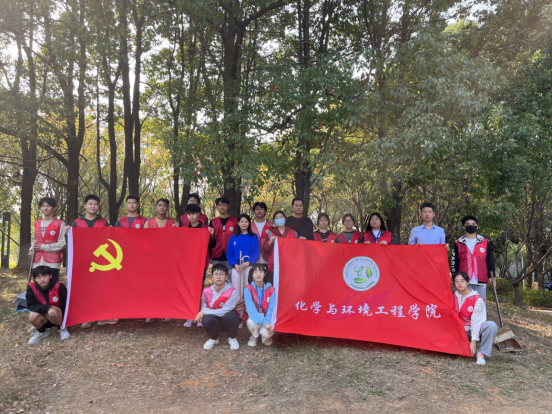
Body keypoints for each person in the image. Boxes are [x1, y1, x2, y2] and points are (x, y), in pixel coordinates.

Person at [65, 195, 116, 328]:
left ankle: (102, 315)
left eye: (96, 204)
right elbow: (72, 241)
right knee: (86, 288)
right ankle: (87, 316)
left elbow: (110, 239)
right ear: (85, 206)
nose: (93, 206)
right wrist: (67, 233)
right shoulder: (77, 222)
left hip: (101, 261)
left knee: (101, 287)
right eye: (90, 204)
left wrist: (112, 231)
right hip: (83, 260)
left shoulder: (103, 222)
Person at [181, 203, 216, 328]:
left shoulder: (205, 228)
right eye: (189, 214)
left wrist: (212, 235)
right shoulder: (184, 229)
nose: (191, 216)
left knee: (199, 288)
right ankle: (189, 316)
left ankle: (199, 316)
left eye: (193, 214)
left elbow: (212, 245)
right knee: (187, 288)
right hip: (187, 263)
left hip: (201, 262)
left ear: (198, 215)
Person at [453, 272, 498, 365]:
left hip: (471, 331)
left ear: (468, 282)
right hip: (456, 332)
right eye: (456, 281)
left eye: (462, 281)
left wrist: (473, 342)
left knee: (491, 326)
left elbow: (476, 322)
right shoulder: (453, 297)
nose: (459, 283)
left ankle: (481, 353)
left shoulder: (477, 299)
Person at [195, 264, 240, 351]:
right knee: (207, 319)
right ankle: (213, 338)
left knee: (232, 316)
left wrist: (204, 311)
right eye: (216, 274)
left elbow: (224, 311)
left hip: (226, 319)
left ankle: (232, 338)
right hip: (213, 319)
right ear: (212, 277)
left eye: (221, 274)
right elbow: (204, 302)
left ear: (226, 276)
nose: (218, 277)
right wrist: (202, 311)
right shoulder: (206, 291)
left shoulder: (232, 292)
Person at [451, 215, 496, 300]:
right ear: (463, 227)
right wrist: (455, 278)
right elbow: (454, 262)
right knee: (465, 305)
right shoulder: (458, 243)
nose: (471, 226)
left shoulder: (484, 242)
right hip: (464, 281)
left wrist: (492, 276)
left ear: (477, 226)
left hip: (481, 280)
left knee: (480, 304)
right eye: (468, 224)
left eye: (473, 224)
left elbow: (490, 260)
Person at [26, 266, 70, 345]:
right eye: (39, 277)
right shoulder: (31, 287)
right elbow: (31, 305)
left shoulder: (60, 286)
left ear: (50, 276)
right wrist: (47, 309)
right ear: (35, 279)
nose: (42, 279)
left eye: (45, 276)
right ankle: (42, 331)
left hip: (58, 316)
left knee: (53, 310)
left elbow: (66, 305)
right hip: (43, 317)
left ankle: (61, 328)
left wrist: (63, 319)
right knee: (33, 315)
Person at [29, 197, 66, 282]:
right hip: (37, 260)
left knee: (53, 285)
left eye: (48, 206)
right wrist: (31, 249)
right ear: (40, 208)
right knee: (38, 285)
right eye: (43, 206)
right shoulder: (37, 223)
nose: (45, 208)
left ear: (54, 208)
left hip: (52, 261)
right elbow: (35, 240)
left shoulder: (60, 223)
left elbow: (63, 243)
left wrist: (44, 247)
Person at [226, 214, 260, 300]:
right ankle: (237, 305)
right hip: (236, 267)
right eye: (241, 222)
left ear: (249, 223)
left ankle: (249, 306)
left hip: (249, 266)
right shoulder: (233, 238)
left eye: (246, 222)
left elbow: (256, 252)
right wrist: (235, 264)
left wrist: (249, 262)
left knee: (249, 287)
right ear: (238, 223)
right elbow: (229, 253)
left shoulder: (254, 237)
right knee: (236, 289)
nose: (244, 223)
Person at [244, 264, 276, 347]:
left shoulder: (271, 290)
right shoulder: (248, 289)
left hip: (267, 317)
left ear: (264, 274)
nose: (258, 274)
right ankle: (254, 336)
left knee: (267, 332)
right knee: (251, 323)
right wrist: (265, 323)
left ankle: (265, 338)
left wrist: (267, 322)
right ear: (252, 275)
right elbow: (251, 310)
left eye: (261, 272)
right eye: (255, 272)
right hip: (254, 317)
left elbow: (271, 309)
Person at [262, 211, 298, 284]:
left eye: (281, 217)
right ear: (274, 221)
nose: (279, 219)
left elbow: (297, 250)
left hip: (289, 266)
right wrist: (270, 242)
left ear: (285, 219)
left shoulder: (293, 233)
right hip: (274, 265)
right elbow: (265, 249)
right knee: (274, 287)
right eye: (277, 218)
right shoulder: (271, 233)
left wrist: (302, 241)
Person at [209, 197, 237, 271]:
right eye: (219, 205)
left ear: (228, 206)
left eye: (224, 205)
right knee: (218, 275)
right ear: (217, 207)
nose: (222, 207)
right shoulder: (213, 222)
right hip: (216, 253)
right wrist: (210, 255)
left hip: (232, 254)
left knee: (231, 276)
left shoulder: (235, 221)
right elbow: (209, 240)